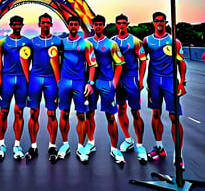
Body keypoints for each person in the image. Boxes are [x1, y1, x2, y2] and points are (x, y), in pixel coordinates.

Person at [143, 11, 187, 170]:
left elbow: (181, 63)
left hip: (170, 82)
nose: (159, 23)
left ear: (166, 22)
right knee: (155, 113)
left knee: (174, 117)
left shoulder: (174, 42)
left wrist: (183, 82)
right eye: (157, 21)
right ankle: (159, 146)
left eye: (162, 21)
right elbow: (141, 60)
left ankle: (178, 154)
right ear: (153, 22)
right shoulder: (147, 41)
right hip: (154, 81)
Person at [86, 15, 126, 165]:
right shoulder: (87, 43)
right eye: (95, 24)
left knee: (111, 116)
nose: (97, 27)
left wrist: (114, 83)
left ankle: (114, 148)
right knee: (90, 113)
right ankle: (91, 142)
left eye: (100, 24)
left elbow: (120, 63)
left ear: (103, 26)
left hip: (106, 82)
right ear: (93, 26)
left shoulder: (111, 44)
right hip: (91, 83)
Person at [58, 15, 96, 165]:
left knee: (81, 115)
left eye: (76, 24)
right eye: (71, 24)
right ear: (68, 25)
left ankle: (81, 146)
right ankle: (65, 144)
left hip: (80, 82)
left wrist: (90, 83)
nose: (73, 26)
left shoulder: (86, 44)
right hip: (65, 81)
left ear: (79, 26)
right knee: (64, 113)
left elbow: (92, 64)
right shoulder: (62, 43)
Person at [111, 14, 148, 163]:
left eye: (123, 23)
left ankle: (140, 144)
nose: (121, 25)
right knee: (121, 109)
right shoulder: (112, 41)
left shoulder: (135, 41)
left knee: (135, 112)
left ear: (127, 24)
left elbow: (143, 60)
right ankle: (128, 138)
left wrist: (140, 79)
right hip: (118, 78)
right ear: (116, 24)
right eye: (118, 23)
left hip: (131, 78)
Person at [0, 15, 31, 161]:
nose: (16, 25)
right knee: (3, 112)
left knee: (19, 113)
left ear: (22, 25)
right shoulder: (3, 42)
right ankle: (1, 144)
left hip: (22, 80)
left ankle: (17, 144)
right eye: (14, 23)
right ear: (10, 25)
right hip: (7, 79)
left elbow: (34, 60)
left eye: (19, 23)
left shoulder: (27, 42)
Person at [25, 13, 61, 163]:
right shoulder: (32, 42)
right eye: (43, 22)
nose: (45, 24)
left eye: (48, 22)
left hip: (51, 80)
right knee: (34, 113)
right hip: (35, 79)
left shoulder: (58, 41)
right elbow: (25, 61)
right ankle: (33, 146)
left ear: (51, 24)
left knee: (52, 114)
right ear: (39, 24)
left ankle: (52, 146)